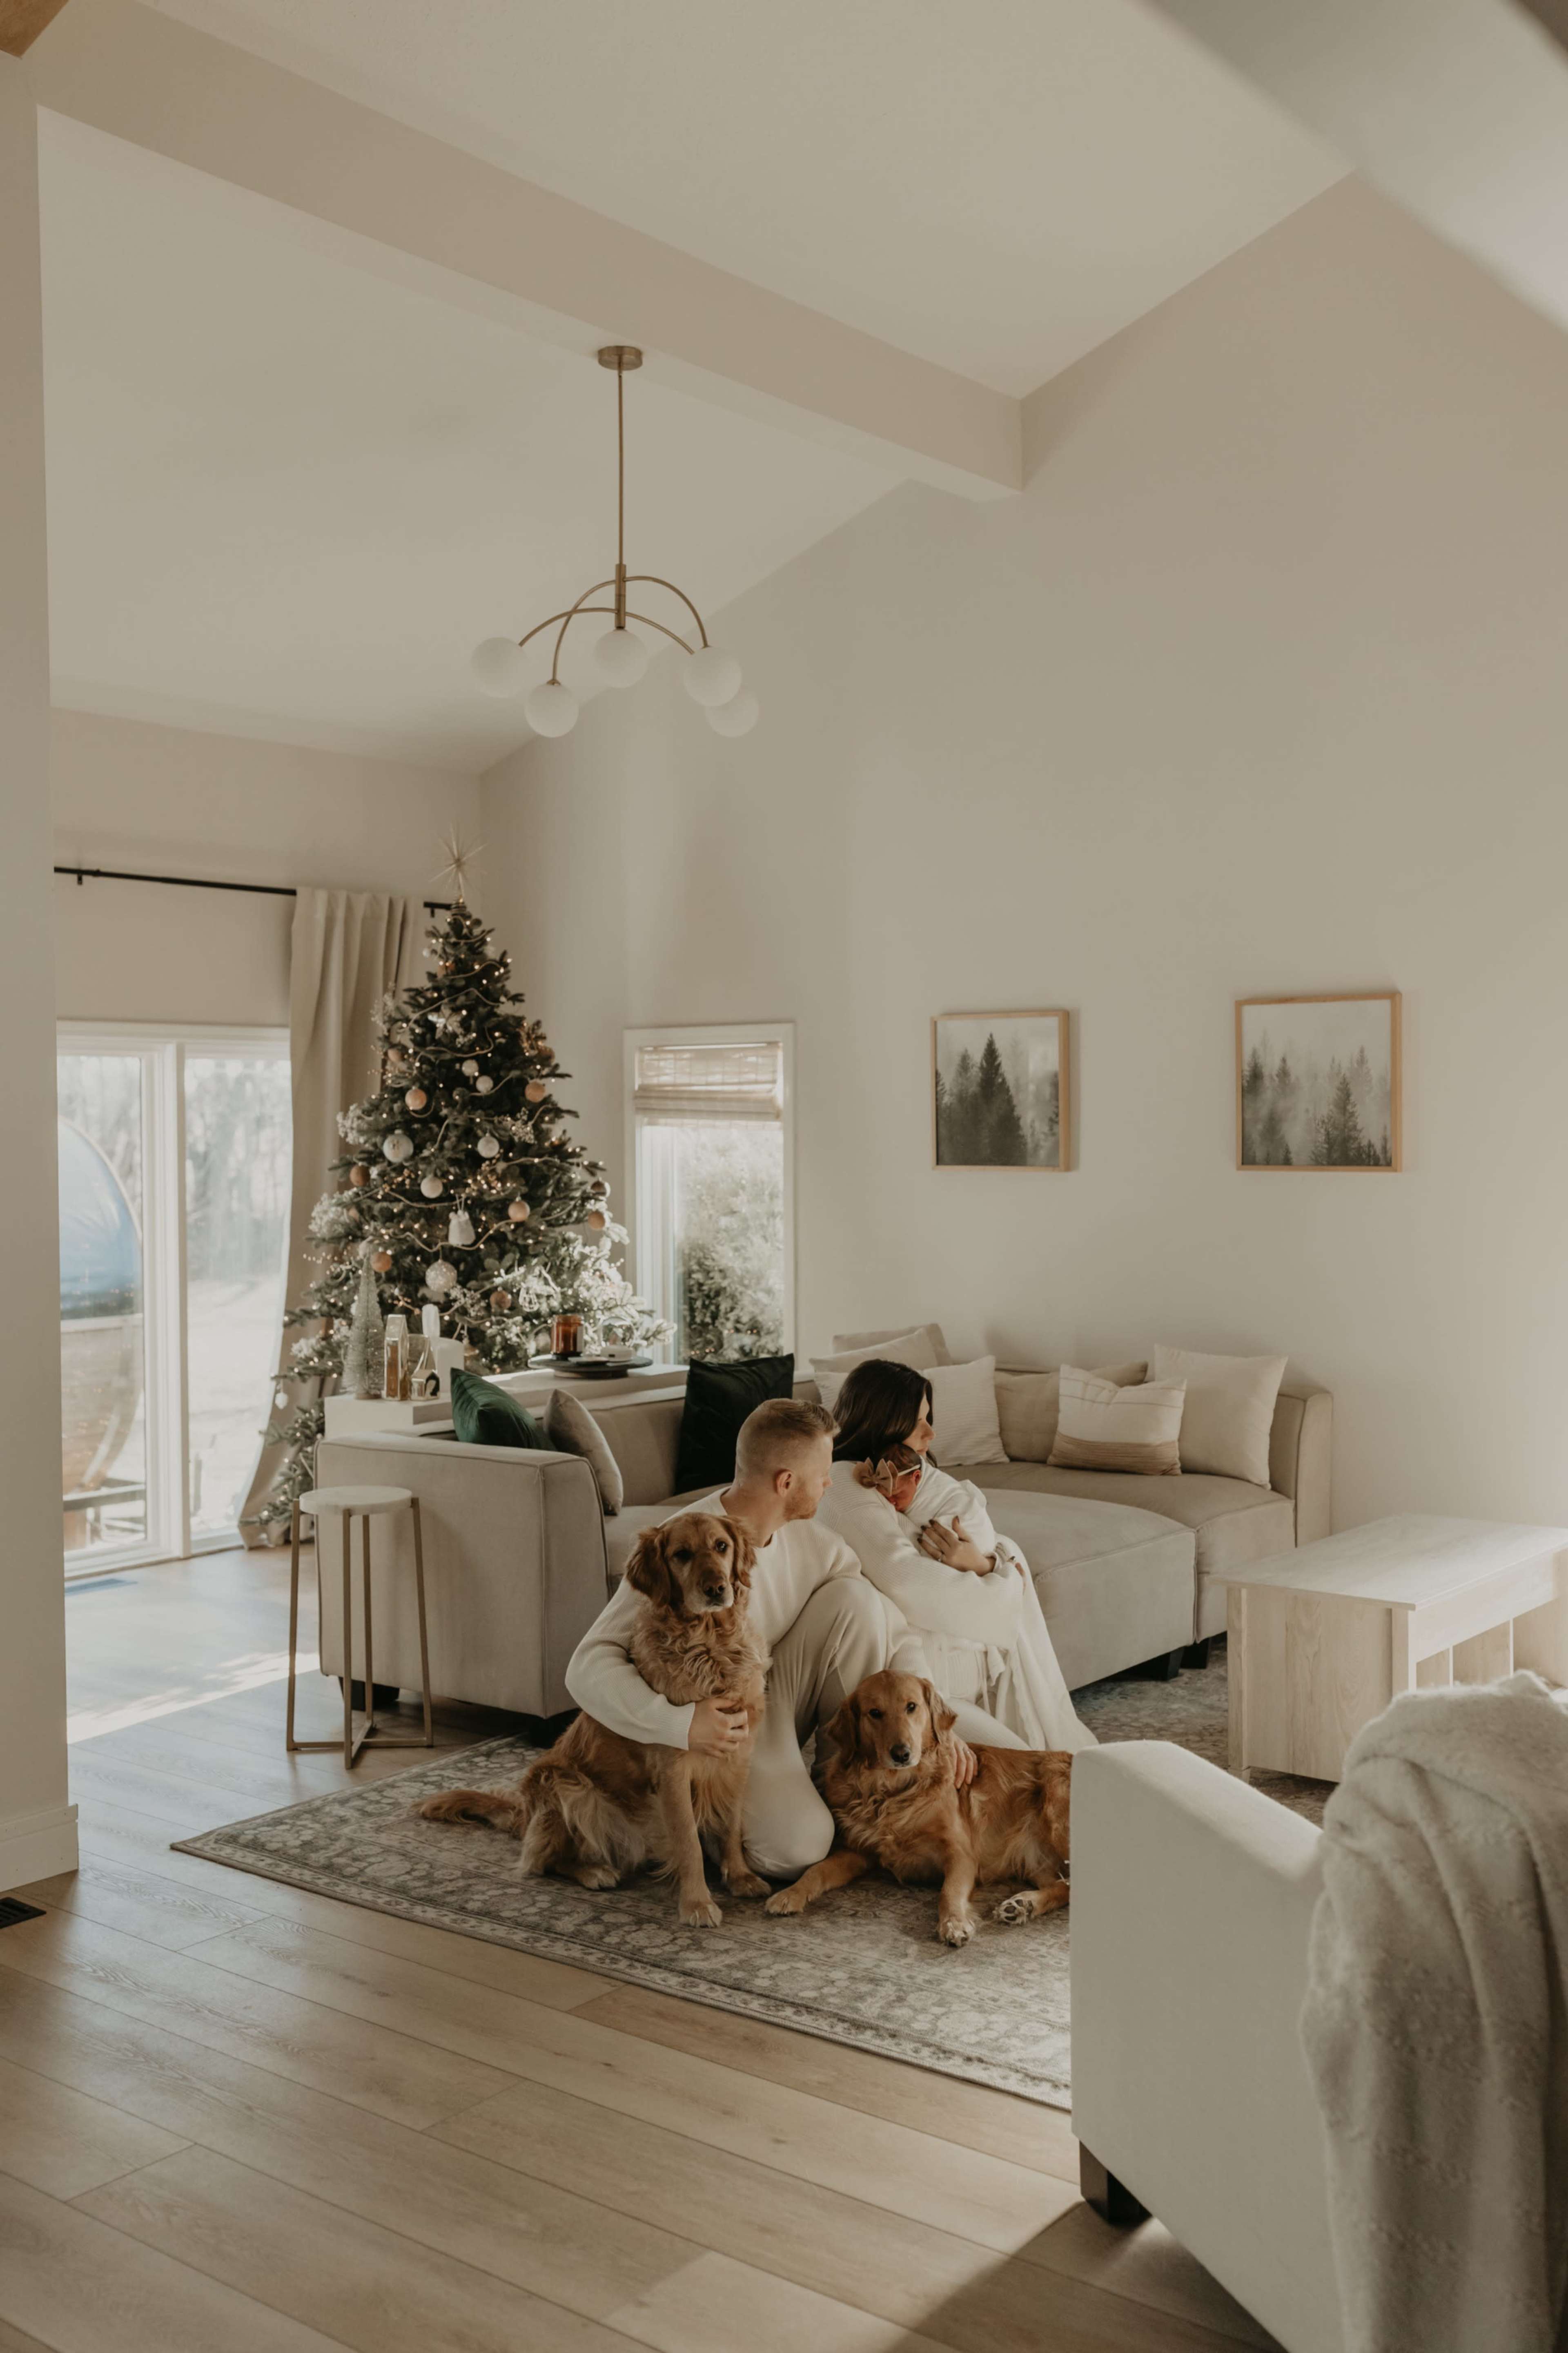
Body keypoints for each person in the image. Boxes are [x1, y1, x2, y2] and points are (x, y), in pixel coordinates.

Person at [564, 1395, 1025, 1882]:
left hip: (773, 1694)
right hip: (717, 1729)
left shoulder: (814, 1541)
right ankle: (712, 1822)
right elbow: (586, 1664)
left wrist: (936, 1727)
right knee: (796, 1852)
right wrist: (677, 1723)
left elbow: (892, 1623)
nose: (831, 1482)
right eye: (824, 1472)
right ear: (786, 1482)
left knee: (859, 1599)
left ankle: (839, 1780)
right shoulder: (685, 1545)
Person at [815, 1358, 1095, 1754]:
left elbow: (952, 1531)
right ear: (882, 1420)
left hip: (933, 1679)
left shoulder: (912, 1475)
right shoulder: (845, 1482)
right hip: (905, 1690)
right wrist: (1004, 1582)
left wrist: (983, 1564)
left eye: (929, 1418)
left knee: (1027, 1772)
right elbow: (906, 1580)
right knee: (1026, 1770)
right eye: (918, 1422)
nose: (930, 1433)